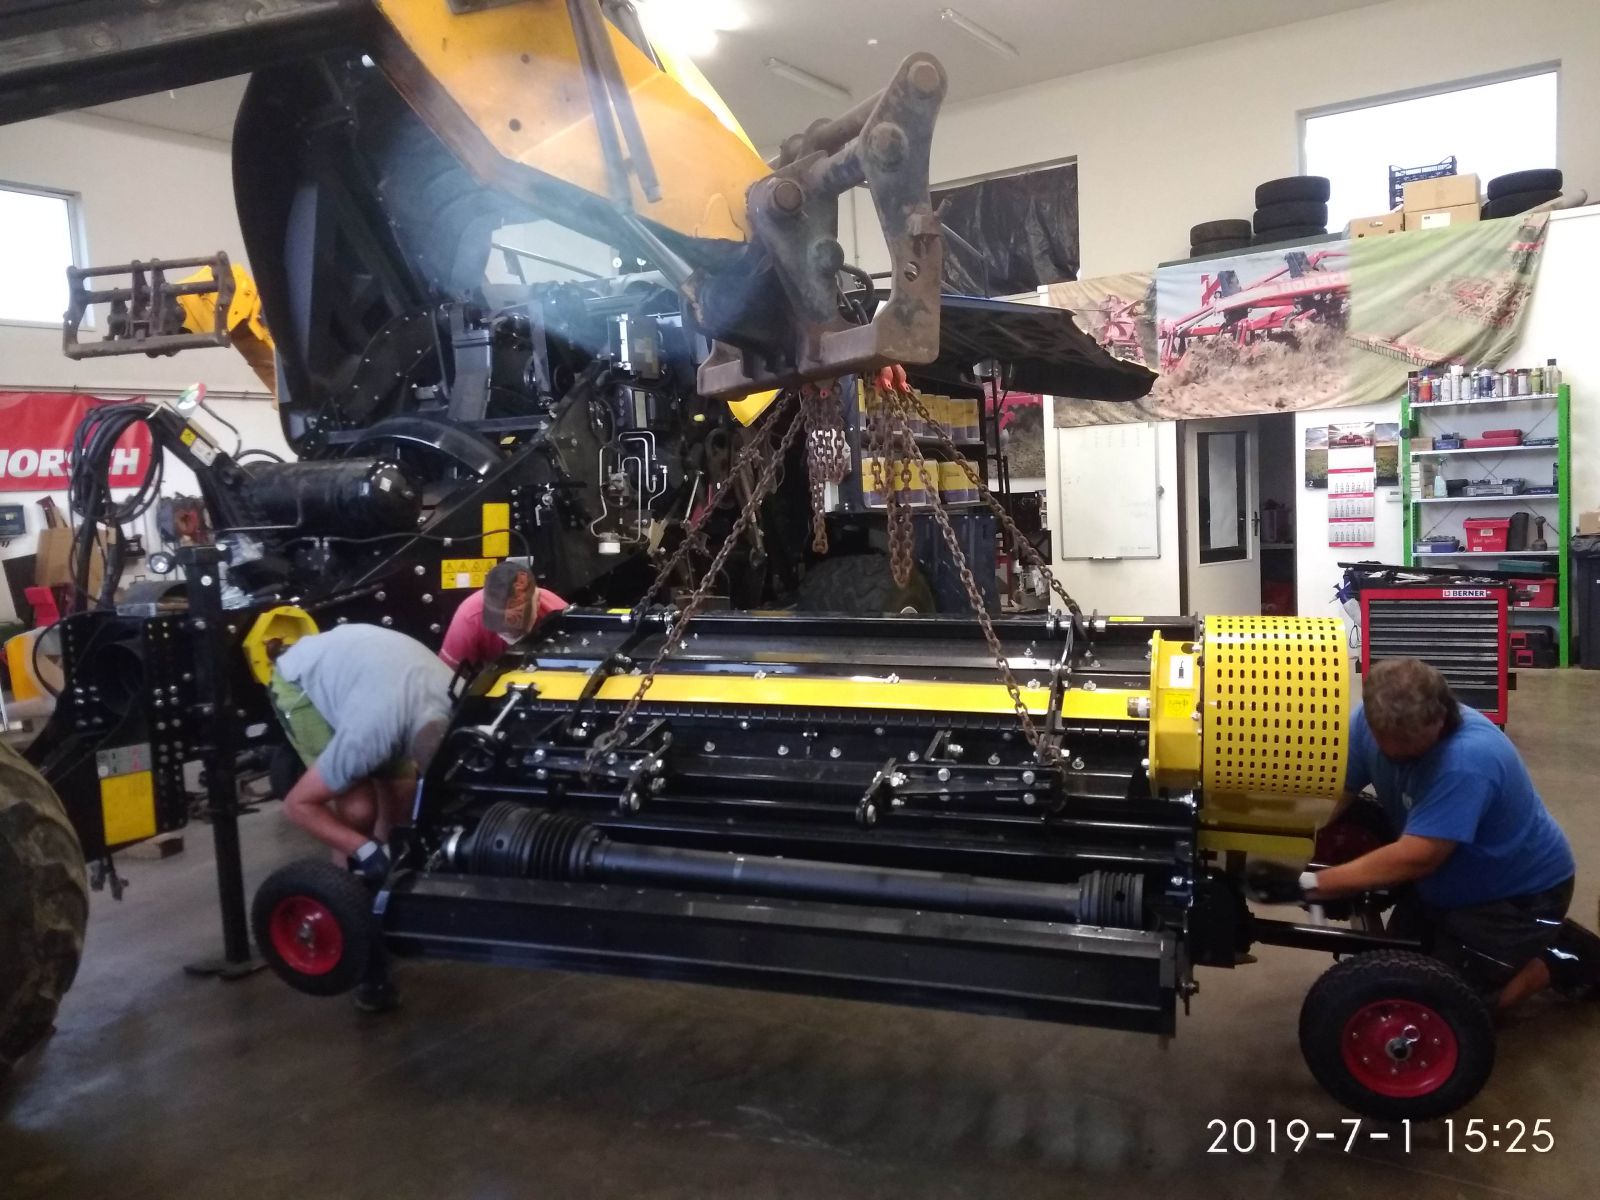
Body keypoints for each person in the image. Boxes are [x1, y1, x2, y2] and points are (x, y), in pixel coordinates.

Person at [1251, 656, 1590, 1012]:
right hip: (1442, 886)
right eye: (1387, 744)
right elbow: (1335, 796)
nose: (1397, 754)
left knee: (1442, 1006)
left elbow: (1418, 857)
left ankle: (1557, 956)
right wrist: (1281, 842)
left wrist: (1311, 884)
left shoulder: (1467, 760)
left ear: (1441, 716)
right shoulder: (1366, 722)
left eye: (1410, 746)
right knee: (1392, 973)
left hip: (1515, 898)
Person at [268, 623, 452, 883]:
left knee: (404, 797)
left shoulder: (455, 699)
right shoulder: (369, 736)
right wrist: (365, 851)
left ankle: (390, 875)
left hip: (376, 684)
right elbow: (297, 806)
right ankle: (345, 884)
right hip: (300, 683)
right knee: (358, 810)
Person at [439, 560, 567, 671]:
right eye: (507, 630)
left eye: (519, 631)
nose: (514, 638)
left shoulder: (557, 611)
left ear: (538, 601)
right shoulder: (469, 618)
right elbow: (447, 677)